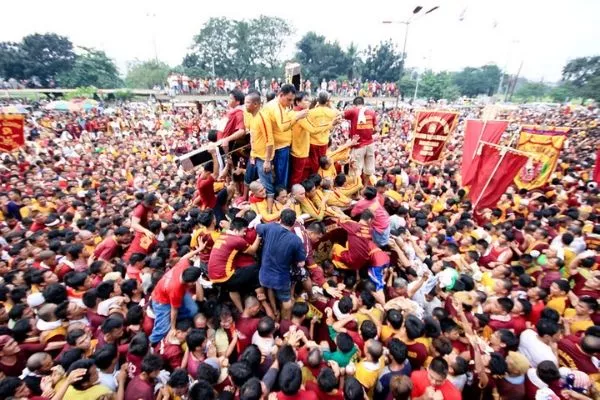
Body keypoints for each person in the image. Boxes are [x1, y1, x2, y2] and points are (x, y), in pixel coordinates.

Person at [257, 209, 306, 320]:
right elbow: (301, 263)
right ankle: (285, 321)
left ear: (280, 219)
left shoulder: (270, 227)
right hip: (280, 280)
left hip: (263, 277)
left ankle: (275, 311)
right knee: (287, 303)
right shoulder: (296, 240)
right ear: (293, 223)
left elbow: (258, 228)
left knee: (270, 289)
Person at [149, 247, 204, 344]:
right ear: (191, 283)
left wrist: (199, 249)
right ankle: (152, 343)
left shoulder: (182, 266)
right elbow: (174, 310)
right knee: (163, 330)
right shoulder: (176, 290)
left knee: (193, 309)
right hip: (161, 301)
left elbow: (185, 257)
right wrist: (173, 328)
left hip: (167, 292)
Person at [264, 84, 308, 189]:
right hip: (280, 146)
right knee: (281, 177)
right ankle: (281, 198)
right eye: (289, 100)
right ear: (281, 95)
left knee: (280, 175)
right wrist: (297, 116)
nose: (291, 103)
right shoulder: (276, 107)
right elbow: (283, 127)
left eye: (292, 100)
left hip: (279, 145)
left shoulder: (280, 106)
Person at [343, 96, 377, 181]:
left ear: (354, 105)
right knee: (369, 170)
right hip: (370, 144)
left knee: (355, 170)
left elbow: (341, 114)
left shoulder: (354, 111)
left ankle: (356, 191)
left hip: (359, 145)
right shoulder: (372, 112)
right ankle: (364, 187)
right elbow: (376, 129)